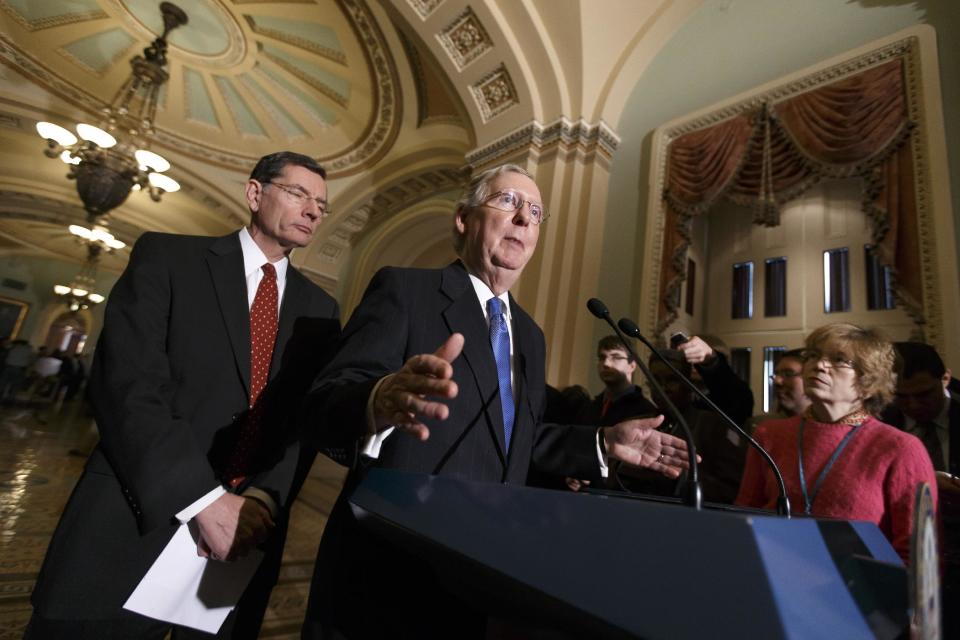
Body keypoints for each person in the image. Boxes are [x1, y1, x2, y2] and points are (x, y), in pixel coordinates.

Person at [301, 164, 692, 639]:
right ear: (463, 219)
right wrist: (379, 398)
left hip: (480, 573)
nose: (525, 219)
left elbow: (518, 437)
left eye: (535, 211)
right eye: (508, 202)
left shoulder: (530, 334)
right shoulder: (406, 290)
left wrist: (602, 445)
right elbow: (325, 399)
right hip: (390, 566)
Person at [26, 151, 341, 639]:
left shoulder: (320, 311)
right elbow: (129, 387)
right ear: (255, 193)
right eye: (299, 193)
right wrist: (203, 501)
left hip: (242, 541)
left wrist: (262, 498)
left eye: (322, 204)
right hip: (135, 520)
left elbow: (299, 423)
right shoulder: (169, 258)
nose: (313, 210)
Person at [736, 323, 937, 562]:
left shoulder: (900, 448)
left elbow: (918, 555)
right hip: (772, 578)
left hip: (860, 592)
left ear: (868, 381)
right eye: (813, 356)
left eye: (839, 359)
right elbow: (744, 515)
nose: (819, 365)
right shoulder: (769, 434)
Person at [881, 341, 960, 636]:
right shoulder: (882, 424)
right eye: (902, 397)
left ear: (946, 379)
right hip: (906, 563)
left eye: (924, 394)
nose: (913, 406)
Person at [745, 348, 812, 432]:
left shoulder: (826, 429)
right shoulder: (759, 426)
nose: (777, 381)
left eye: (788, 374)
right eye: (776, 375)